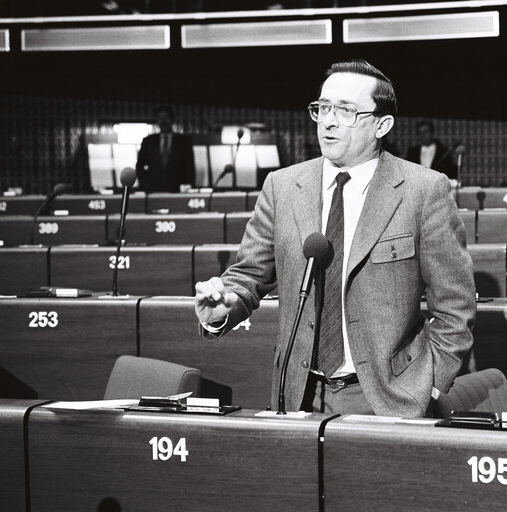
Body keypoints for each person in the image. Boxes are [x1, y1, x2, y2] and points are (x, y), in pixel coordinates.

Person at [194, 60, 475, 418]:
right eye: (323, 108)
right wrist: (222, 310)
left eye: (345, 110)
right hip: (298, 393)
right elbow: (248, 276)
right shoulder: (282, 187)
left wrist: (429, 384)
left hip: (389, 396)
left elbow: (455, 304)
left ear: (382, 124)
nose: (328, 120)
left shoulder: (424, 190)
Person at [135, 105, 196, 192]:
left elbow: (190, 167)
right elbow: (140, 166)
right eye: (160, 117)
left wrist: (188, 187)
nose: (163, 121)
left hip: (177, 190)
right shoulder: (148, 141)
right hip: (153, 190)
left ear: (172, 119)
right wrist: (145, 186)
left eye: (166, 117)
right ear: (157, 120)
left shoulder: (184, 141)